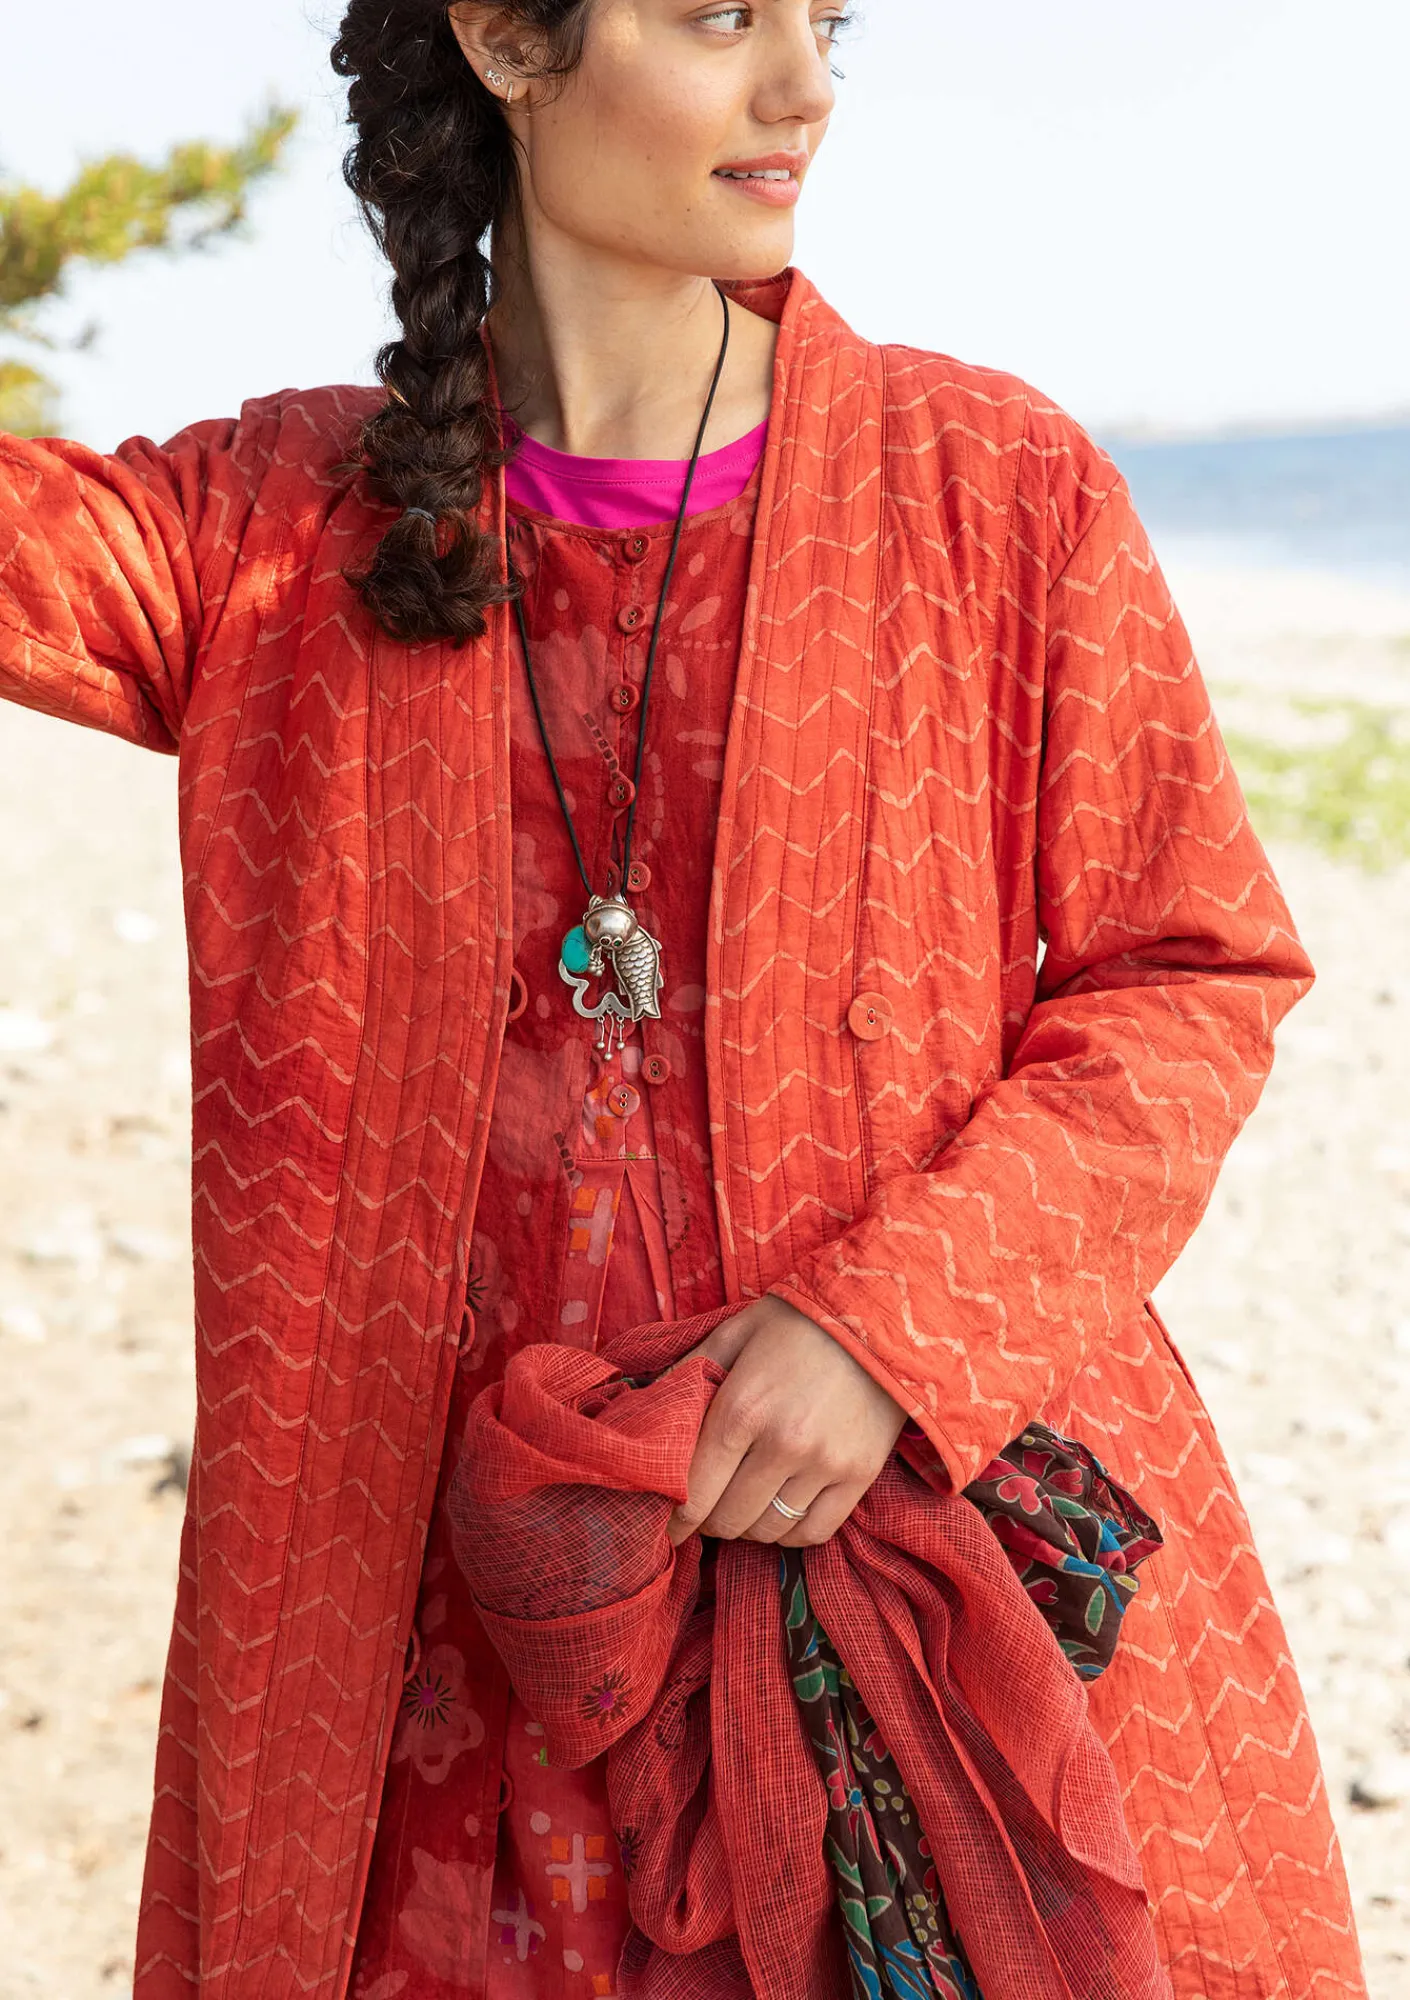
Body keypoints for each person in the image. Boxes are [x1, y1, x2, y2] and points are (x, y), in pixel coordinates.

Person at [0, 2, 1368, 1996]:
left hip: (898, 1571)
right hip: (430, 1671)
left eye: (823, 23)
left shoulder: (994, 489)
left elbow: (1193, 963)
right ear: (505, 37)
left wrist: (887, 1329)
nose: (803, 88)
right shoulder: (273, 530)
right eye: (723, 15)